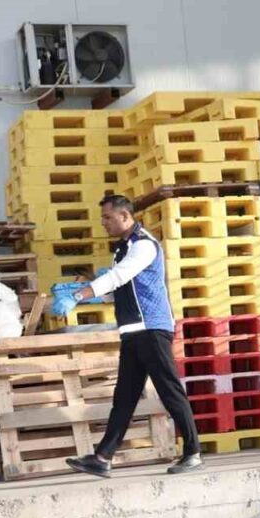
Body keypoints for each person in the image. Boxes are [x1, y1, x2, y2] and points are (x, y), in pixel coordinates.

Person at [65, 194, 201, 479]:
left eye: (107, 217)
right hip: (133, 331)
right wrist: (90, 293)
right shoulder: (123, 249)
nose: (103, 223)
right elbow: (120, 289)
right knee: (124, 397)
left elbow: (118, 277)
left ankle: (193, 452)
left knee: (169, 390)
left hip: (152, 328)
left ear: (125, 216)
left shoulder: (143, 245)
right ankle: (102, 458)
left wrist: (81, 294)